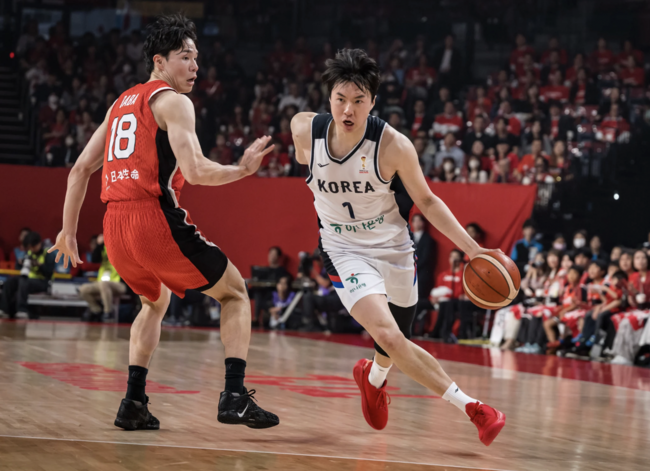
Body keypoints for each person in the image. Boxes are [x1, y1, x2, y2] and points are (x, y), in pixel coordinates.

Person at [47, 14, 278, 432]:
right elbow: (197, 170)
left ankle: (133, 402)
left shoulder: (119, 104)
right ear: (159, 61)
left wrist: (67, 231)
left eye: (196, 57)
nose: (195, 66)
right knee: (235, 293)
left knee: (154, 303)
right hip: (153, 219)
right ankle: (234, 395)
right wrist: (242, 169)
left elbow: (79, 170)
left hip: (115, 229)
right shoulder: (173, 101)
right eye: (185, 57)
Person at [290, 48, 505, 445]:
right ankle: (474, 409)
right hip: (342, 249)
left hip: (394, 248)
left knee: (394, 341)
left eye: (358, 101)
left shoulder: (393, 146)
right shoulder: (305, 131)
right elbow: (307, 161)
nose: (348, 109)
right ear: (329, 98)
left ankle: (372, 379)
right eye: (340, 99)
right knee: (389, 337)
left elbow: (428, 202)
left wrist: (474, 250)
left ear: (373, 102)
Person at [0, 232, 56, 319]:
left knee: (24, 282)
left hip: (44, 282)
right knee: (10, 282)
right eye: (29, 247)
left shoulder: (48, 253)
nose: (31, 249)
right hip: (28, 279)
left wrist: (39, 265)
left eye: (33, 247)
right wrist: (20, 263)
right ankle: (4, 309)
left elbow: (49, 272)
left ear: (39, 243)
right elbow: (18, 268)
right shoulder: (28, 253)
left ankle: (22, 310)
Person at [78, 234, 127, 322]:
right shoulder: (103, 248)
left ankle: (108, 312)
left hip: (119, 284)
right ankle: (97, 310)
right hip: (101, 283)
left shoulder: (122, 248)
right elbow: (94, 259)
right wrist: (100, 244)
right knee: (83, 289)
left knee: (104, 284)